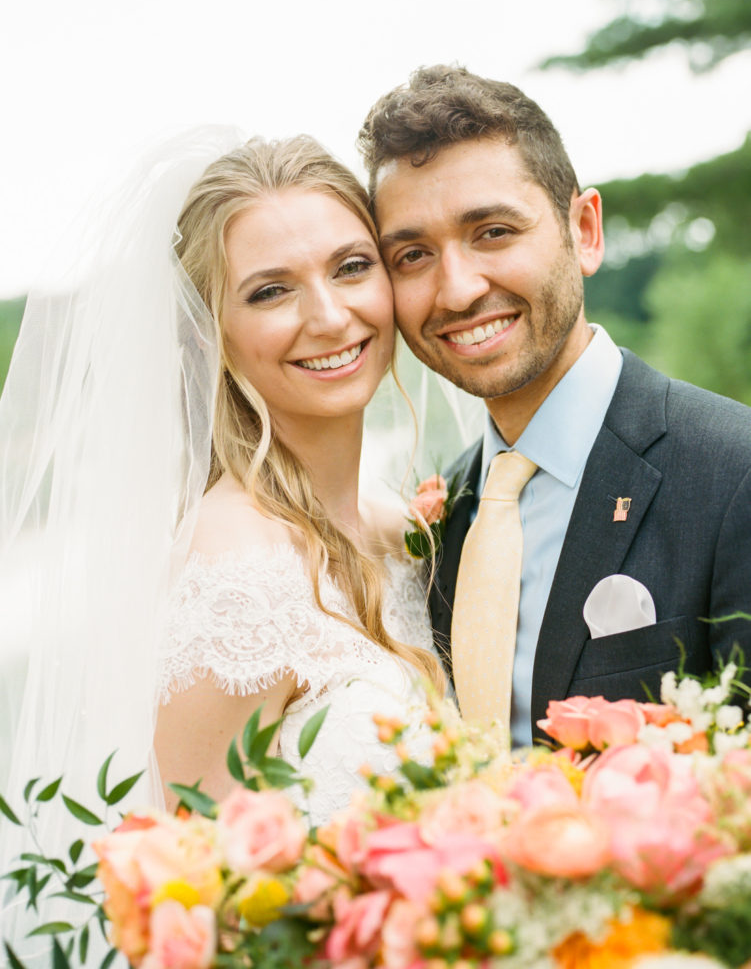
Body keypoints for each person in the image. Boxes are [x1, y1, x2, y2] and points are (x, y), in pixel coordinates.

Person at [0, 131, 444, 958]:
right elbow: (202, 913)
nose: (329, 315)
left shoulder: (403, 527)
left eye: (351, 266)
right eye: (271, 290)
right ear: (212, 332)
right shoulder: (235, 566)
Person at [357, 64, 751, 748]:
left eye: (492, 232)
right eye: (413, 254)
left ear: (585, 230)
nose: (455, 290)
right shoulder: (438, 516)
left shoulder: (731, 473)